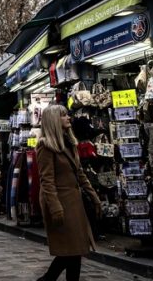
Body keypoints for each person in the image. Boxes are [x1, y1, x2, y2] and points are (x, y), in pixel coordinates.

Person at [35, 104, 101, 281]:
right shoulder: (45, 146)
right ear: (54, 121)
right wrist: (55, 208)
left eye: (67, 115)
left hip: (74, 202)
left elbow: (79, 173)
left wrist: (93, 196)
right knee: (69, 251)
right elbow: (46, 181)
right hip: (60, 202)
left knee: (76, 250)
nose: (68, 118)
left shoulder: (69, 143)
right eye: (63, 116)